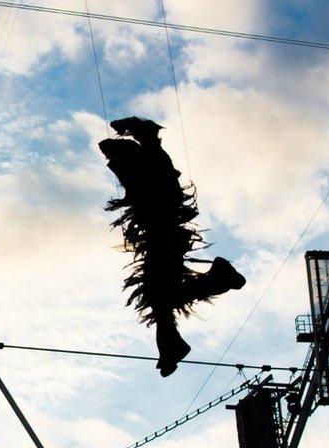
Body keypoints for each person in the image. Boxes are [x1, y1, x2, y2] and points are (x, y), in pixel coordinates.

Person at [100, 117, 246, 377]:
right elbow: (141, 144)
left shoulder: (152, 168)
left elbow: (148, 141)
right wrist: (127, 134)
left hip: (163, 231)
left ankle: (175, 344)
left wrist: (132, 128)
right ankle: (216, 283)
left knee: (159, 295)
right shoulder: (146, 170)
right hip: (161, 232)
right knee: (161, 296)